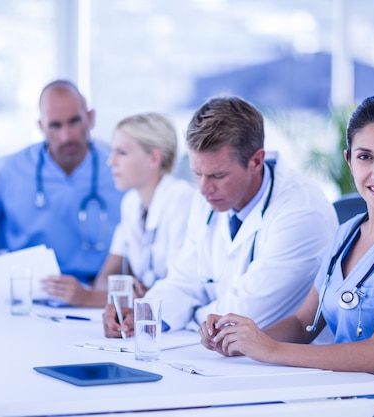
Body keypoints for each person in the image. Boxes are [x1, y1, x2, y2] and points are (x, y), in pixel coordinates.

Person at [199, 96, 374, 417]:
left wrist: (271, 350)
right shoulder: (346, 232)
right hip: (350, 399)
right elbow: (304, 323)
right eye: (365, 157)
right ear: (350, 161)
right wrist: (243, 339)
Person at [103, 96, 338, 337]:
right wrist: (143, 315)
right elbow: (183, 282)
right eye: (197, 174)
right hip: (224, 357)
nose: (204, 189)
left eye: (218, 176)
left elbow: (244, 316)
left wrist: (187, 316)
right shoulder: (206, 200)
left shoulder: (302, 212)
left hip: (294, 367)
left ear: (256, 161)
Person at [0, 80, 124, 287]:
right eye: (55, 125)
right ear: (41, 126)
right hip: (26, 290)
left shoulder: (119, 168)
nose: (66, 136)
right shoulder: (7, 170)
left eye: (74, 121)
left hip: (96, 293)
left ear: (90, 118)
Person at [41, 112, 195, 306]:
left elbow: (178, 292)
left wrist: (87, 297)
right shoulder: (131, 203)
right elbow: (105, 279)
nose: (110, 161)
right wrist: (127, 292)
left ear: (154, 158)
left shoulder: (182, 201)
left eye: (121, 153)